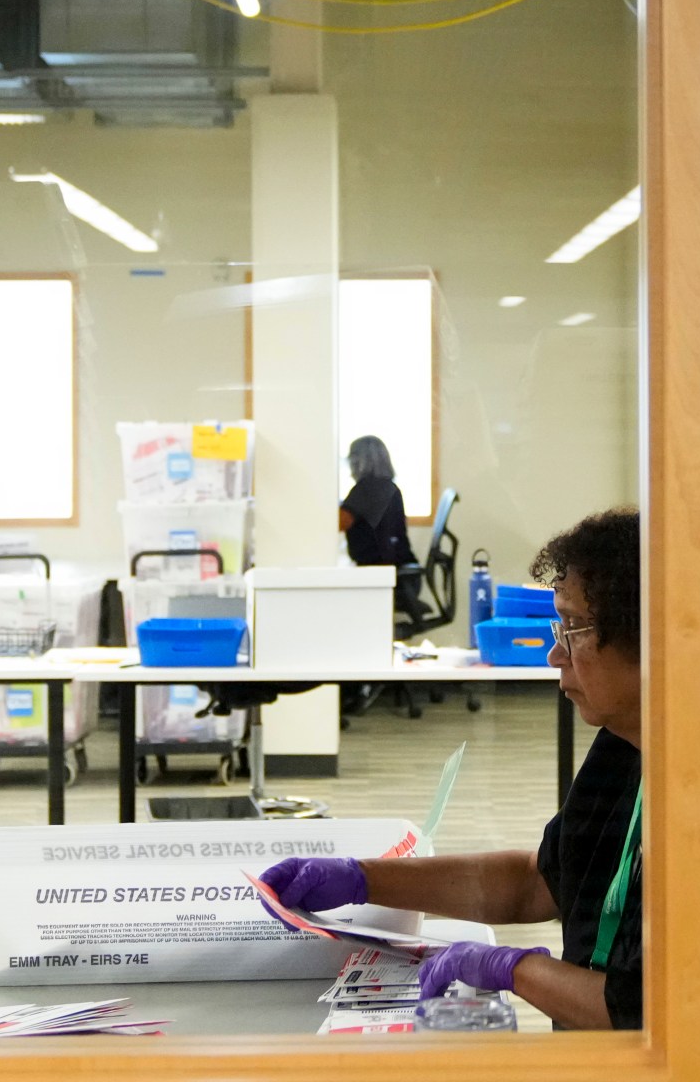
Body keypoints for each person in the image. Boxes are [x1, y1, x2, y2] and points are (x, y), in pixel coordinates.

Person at [260, 508, 643, 1030]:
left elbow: (639, 1012)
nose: (556, 654)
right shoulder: (621, 748)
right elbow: (540, 883)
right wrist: (362, 879)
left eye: (573, 628)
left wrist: (515, 969)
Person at [339, 435, 422, 626]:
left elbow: (338, 522)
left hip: (386, 577)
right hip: (401, 576)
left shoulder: (367, 489)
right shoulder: (388, 487)